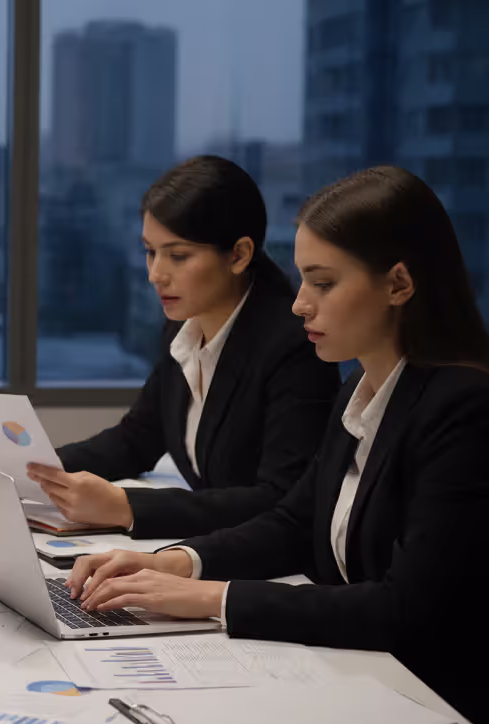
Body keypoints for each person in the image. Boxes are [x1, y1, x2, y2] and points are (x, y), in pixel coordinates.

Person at [66, 166, 489, 724]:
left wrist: (212, 598)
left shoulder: (465, 409)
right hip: (361, 679)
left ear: (398, 285)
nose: (299, 305)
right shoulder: (359, 390)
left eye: (323, 284)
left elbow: (404, 608)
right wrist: (171, 563)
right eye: (302, 281)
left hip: (438, 710)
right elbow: (293, 522)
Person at [29, 156, 339, 539]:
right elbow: (136, 439)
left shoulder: (294, 348)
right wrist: (33, 469)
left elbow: (280, 499)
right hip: (209, 548)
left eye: (177, 256)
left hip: (267, 562)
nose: (155, 274)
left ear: (239, 255)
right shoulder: (183, 328)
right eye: (150, 251)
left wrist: (126, 507)